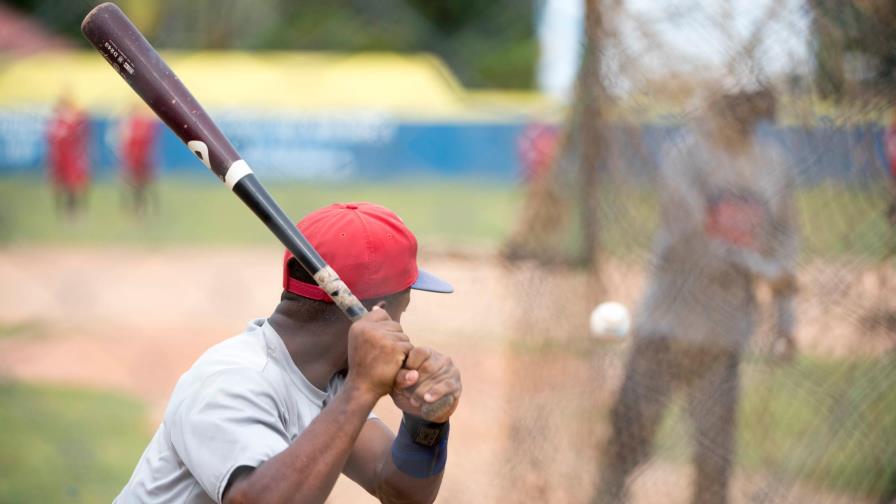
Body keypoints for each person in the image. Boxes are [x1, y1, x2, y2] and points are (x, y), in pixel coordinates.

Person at [115, 202, 462, 504]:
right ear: (378, 314)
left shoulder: (327, 383)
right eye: (404, 308)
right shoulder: (232, 379)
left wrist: (426, 421)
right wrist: (361, 390)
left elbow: (399, 491)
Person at [594, 88, 798, 504]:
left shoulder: (773, 165)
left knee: (714, 459)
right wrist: (764, 271)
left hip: (724, 333)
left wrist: (786, 320)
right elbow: (694, 238)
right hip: (666, 326)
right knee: (628, 441)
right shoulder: (685, 155)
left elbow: (785, 246)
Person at [46, 94, 90, 219]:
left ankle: (72, 210)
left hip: (71, 157)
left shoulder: (74, 120)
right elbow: (52, 140)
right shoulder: (55, 121)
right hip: (59, 157)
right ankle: (61, 210)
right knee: (59, 184)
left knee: (74, 183)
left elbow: (80, 132)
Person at [119, 106, 158, 216]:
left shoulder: (145, 124)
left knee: (145, 184)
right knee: (132, 184)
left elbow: (149, 142)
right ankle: (136, 207)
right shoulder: (129, 124)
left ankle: (146, 206)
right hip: (133, 159)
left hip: (143, 160)